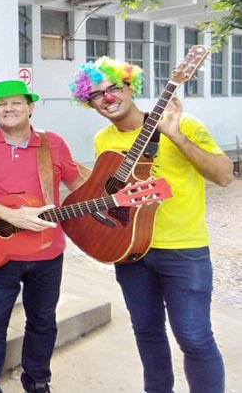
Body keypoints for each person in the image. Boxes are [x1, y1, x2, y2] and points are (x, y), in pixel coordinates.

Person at [69, 57, 233, 393]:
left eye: (114, 88)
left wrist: (175, 136)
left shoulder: (182, 124)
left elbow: (224, 176)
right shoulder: (103, 139)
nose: (108, 98)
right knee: (146, 331)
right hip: (129, 251)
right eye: (97, 95)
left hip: (183, 250)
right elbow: (109, 189)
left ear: (131, 87)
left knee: (195, 337)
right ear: (90, 103)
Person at [0, 80, 85, 393]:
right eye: (2, 104)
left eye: (16, 103)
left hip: (47, 253)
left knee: (43, 320)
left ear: (30, 107)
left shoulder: (52, 143)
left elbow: (79, 183)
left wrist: (112, 191)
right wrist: (11, 216)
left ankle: (38, 380)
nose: (8, 109)